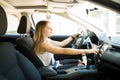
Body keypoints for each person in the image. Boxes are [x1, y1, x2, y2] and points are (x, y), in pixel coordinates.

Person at [32, 20, 99, 68]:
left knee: (79, 61)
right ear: (41, 30)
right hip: (50, 68)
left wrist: (72, 36)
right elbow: (64, 51)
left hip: (53, 63)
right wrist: (89, 51)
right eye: (49, 28)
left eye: (52, 28)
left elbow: (62, 44)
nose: (52, 29)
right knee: (80, 65)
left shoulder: (46, 40)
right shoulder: (42, 44)